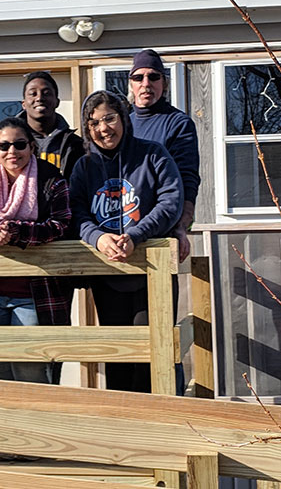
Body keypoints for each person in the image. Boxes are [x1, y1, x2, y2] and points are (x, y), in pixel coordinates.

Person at [69, 90, 183, 393]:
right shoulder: (84, 166)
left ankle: (159, 426)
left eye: (109, 118)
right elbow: (76, 211)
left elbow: (171, 203)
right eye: (93, 123)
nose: (103, 128)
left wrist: (135, 235)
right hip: (109, 274)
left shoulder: (154, 154)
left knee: (153, 351)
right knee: (118, 356)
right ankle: (125, 428)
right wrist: (98, 237)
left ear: (123, 119)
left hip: (152, 272)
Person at [0, 117, 72, 387]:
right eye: (4, 145)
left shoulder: (51, 180)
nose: (12, 151)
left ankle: (35, 429)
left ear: (31, 146)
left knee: (31, 369)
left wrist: (19, 232)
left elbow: (63, 225)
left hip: (35, 294)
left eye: (20, 144)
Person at [128, 49, 199, 263]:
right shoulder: (121, 124)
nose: (146, 83)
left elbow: (188, 178)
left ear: (164, 83)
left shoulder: (178, 123)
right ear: (131, 84)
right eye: (138, 77)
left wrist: (180, 227)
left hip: (160, 233)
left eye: (154, 76)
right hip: (123, 232)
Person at [18, 71, 85, 180]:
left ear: (57, 102)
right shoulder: (11, 144)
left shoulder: (76, 145)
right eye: (33, 94)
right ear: (24, 104)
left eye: (46, 93)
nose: (39, 98)